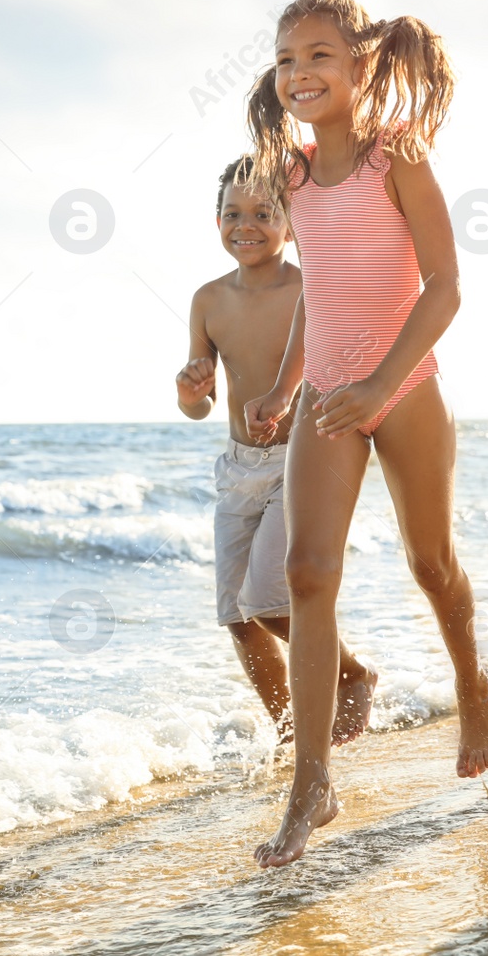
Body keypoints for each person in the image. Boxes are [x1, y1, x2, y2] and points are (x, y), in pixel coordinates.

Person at [242, 0, 488, 868]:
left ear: (359, 65)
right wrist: (286, 386)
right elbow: (318, 286)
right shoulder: (294, 176)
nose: (298, 73)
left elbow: (445, 287)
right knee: (307, 572)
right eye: (284, 59)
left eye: (317, 54)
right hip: (325, 394)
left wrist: (383, 381)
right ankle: (311, 780)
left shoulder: (401, 160)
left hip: (406, 386)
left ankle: (472, 681)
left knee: (432, 562)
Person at [175, 156, 376, 748]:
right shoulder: (208, 300)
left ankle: (352, 673)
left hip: (303, 460)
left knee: (266, 599)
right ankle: (291, 733)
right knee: (236, 617)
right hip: (237, 465)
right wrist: (189, 390)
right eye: (233, 213)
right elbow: (199, 404)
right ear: (216, 222)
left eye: (264, 213)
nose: (247, 225)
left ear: (290, 222)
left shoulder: (308, 288)